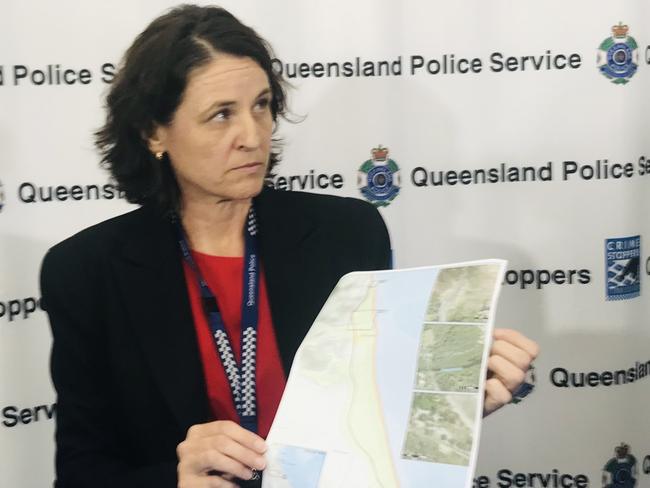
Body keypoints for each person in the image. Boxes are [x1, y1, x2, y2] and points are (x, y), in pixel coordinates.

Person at [40, 5, 539, 488]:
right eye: (220, 115)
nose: (252, 136)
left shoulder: (347, 232)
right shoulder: (87, 271)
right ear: (154, 132)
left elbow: (380, 422)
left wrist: (453, 405)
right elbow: (84, 473)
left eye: (261, 105)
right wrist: (178, 481)